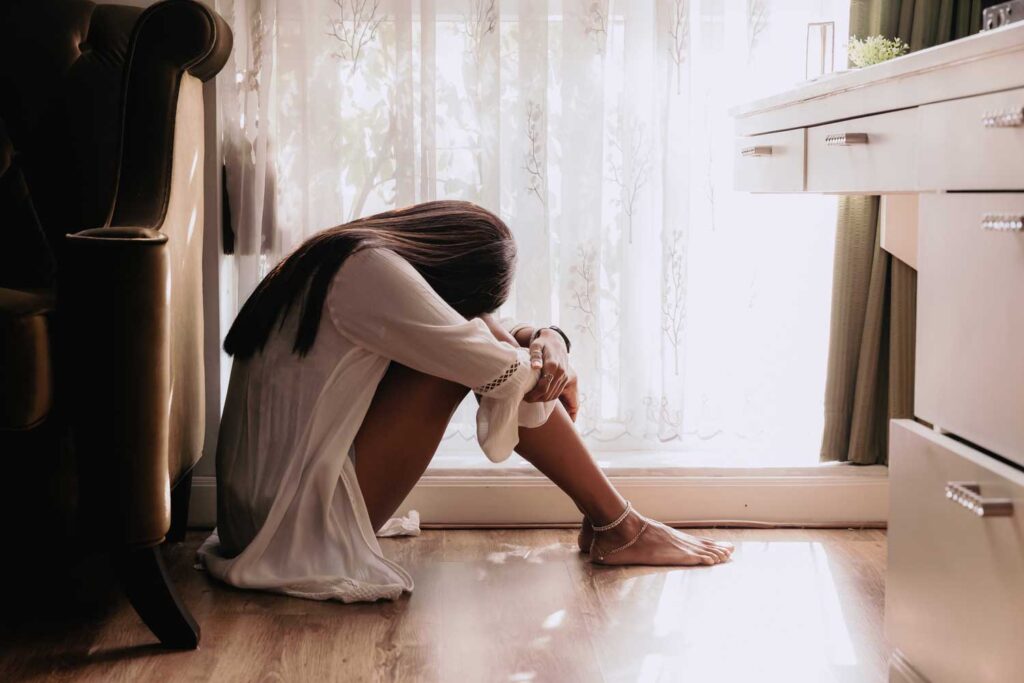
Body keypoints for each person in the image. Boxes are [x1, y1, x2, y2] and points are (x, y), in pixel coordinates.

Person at [198, 200, 734, 603]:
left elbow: (472, 333)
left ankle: (612, 521)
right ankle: (619, 525)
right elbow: (490, 362)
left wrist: (546, 335)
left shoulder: (346, 256)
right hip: (289, 528)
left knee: (488, 347)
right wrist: (545, 347)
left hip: (258, 514)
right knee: (488, 363)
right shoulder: (370, 271)